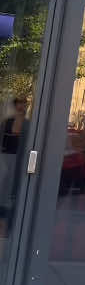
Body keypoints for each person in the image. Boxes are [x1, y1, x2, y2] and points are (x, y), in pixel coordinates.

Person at [0, 97, 29, 230]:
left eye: (24, 103)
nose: (22, 106)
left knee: (14, 189)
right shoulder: (7, 122)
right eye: (20, 103)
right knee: (4, 188)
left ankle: (10, 222)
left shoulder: (29, 124)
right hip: (5, 158)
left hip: (20, 159)